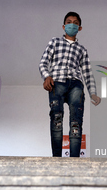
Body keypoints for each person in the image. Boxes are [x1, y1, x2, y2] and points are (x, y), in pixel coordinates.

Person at [39, 11, 101, 157]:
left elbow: (87, 72)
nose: (71, 24)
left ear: (79, 28)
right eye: (69, 22)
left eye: (75, 23)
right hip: (57, 82)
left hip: (76, 85)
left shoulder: (82, 49)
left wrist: (93, 93)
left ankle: (74, 160)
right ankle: (56, 158)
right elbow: (43, 62)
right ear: (63, 26)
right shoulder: (54, 42)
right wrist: (46, 76)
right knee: (56, 118)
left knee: (76, 122)